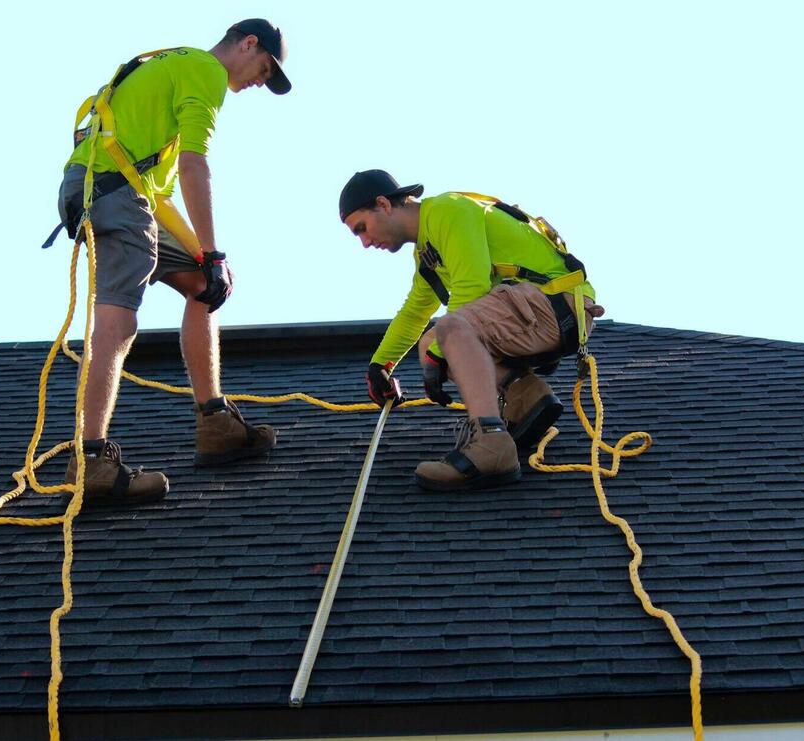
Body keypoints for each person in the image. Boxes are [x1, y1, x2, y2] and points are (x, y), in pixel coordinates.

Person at [54, 19, 292, 507]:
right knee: (117, 322)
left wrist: (207, 260)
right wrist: (215, 246)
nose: (257, 83)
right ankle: (91, 461)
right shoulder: (204, 71)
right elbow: (193, 164)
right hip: (114, 193)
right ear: (248, 44)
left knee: (207, 287)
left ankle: (215, 423)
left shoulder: (173, 62)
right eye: (263, 69)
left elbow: (155, 188)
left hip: (115, 189)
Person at [339, 170, 604, 491]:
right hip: (541, 311)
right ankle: (526, 396)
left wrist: (441, 352)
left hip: (553, 305)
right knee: (434, 341)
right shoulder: (427, 251)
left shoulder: (447, 211)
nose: (365, 243)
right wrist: (380, 365)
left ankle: (492, 444)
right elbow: (414, 312)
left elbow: (472, 287)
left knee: (448, 332)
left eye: (361, 229)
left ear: (383, 204)